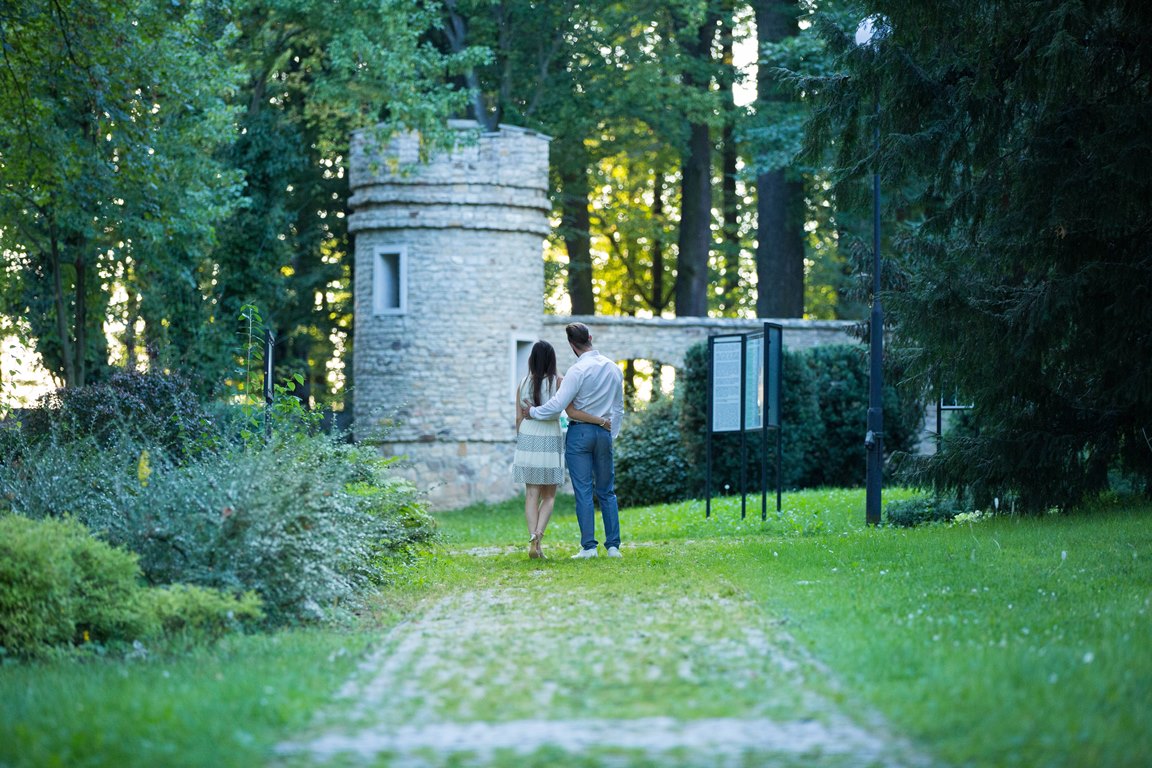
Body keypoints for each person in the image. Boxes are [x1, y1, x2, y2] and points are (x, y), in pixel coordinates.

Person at [525, 322, 624, 559]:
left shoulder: (577, 371)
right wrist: (611, 434)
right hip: (603, 432)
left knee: (583, 490)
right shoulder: (613, 368)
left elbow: (558, 405)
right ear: (590, 337)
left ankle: (589, 547)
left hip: (579, 433)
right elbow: (618, 408)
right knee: (607, 491)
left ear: (572, 345)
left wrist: (533, 412)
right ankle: (613, 547)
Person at [513, 340, 605, 559]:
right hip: (549, 438)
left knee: (531, 494)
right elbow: (566, 409)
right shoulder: (558, 381)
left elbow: (518, 418)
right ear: (552, 359)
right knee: (550, 496)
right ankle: (538, 536)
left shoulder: (522, 383)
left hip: (527, 437)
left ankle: (533, 541)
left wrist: (522, 439)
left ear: (531, 359)